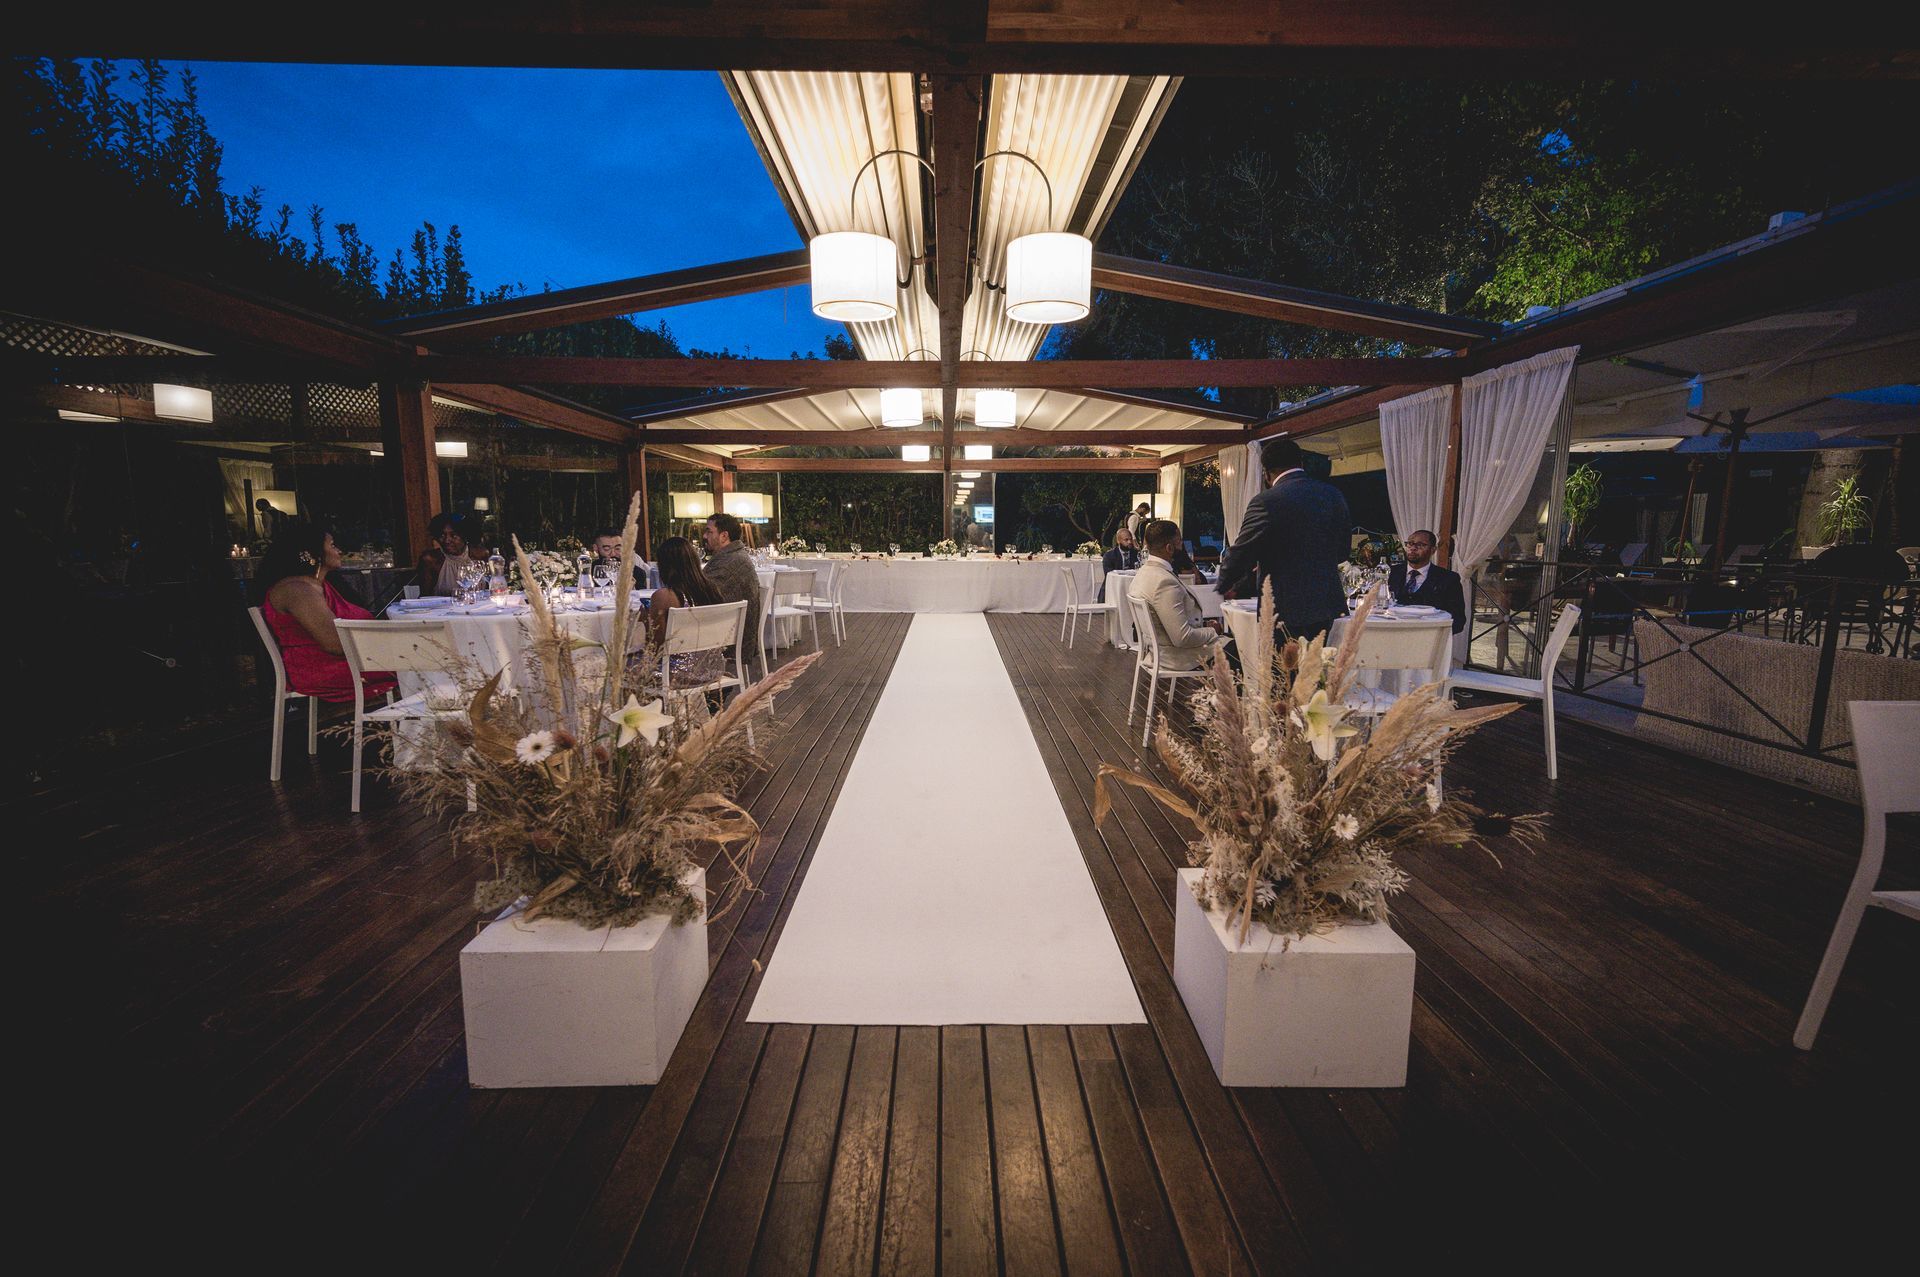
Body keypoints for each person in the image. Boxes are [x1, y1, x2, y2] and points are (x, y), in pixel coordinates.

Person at [1216, 437, 1351, 642]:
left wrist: (1223, 584)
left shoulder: (1266, 501)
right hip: (1327, 603)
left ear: (1266, 472)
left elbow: (1242, 550)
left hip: (1285, 605)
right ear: (1301, 463)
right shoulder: (1333, 495)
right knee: (1319, 669)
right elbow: (1342, 552)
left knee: (1282, 671)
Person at [256, 524, 397, 703]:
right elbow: (335, 643)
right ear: (311, 553)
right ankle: (416, 726)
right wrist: (389, 646)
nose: (338, 550)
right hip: (323, 669)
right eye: (331, 545)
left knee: (422, 658)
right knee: (423, 660)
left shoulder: (317, 586)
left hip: (341, 662)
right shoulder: (296, 590)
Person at [1130, 520, 1223, 670]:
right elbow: (1182, 638)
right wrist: (1213, 631)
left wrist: (1203, 626)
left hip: (1158, 652)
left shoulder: (1142, 573)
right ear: (1169, 548)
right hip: (1177, 657)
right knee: (1240, 651)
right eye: (1180, 541)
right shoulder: (1164, 581)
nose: (1182, 546)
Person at [648, 536, 729, 685]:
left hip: (677, 674)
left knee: (623, 665)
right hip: (714, 669)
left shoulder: (664, 596)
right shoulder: (713, 590)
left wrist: (644, 621)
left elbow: (657, 648)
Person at [701, 512, 763, 672]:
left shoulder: (728, 562)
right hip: (737, 632)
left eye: (709, 531)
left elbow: (701, 595)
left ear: (724, 536)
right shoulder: (735, 555)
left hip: (730, 640)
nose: (704, 535)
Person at [1390, 529, 1467, 633]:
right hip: (1390, 636)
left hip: (1428, 641)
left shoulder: (1448, 579)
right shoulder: (1390, 573)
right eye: (1410, 544)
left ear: (1433, 550)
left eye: (1421, 545)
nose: (1413, 548)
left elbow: (1458, 620)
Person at [414, 513, 482, 597]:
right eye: (442, 535)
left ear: (465, 536)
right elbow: (424, 598)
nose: (447, 540)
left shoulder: (480, 555)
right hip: (441, 609)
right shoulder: (431, 560)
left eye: (453, 536)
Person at [1097, 526, 1141, 601]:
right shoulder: (1109, 555)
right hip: (1114, 587)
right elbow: (1109, 575)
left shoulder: (1136, 553)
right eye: (1126, 540)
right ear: (1118, 541)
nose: (1129, 542)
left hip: (1133, 586)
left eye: (1130, 539)